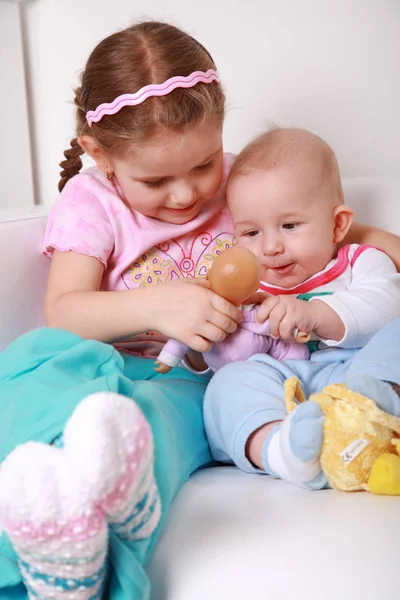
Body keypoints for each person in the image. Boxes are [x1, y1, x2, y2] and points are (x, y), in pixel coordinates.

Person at [0, 22, 399, 600]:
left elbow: (336, 228)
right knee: (45, 374)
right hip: (112, 355)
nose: (188, 195)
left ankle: (93, 543)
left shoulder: (242, 176)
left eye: (204, 165)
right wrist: (160, 304)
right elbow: (64, 312)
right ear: (99, 154)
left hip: (194, 378)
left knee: (151, 427)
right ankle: (36, 506)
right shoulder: (91, 202)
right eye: (157, 179)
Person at [204, 127, 400, 491]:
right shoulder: (247, 286)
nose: (270, 247)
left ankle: (372, 413)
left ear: (338, 224)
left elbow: (384, 308)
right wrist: (217, 333)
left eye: (289, 225)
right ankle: (282, 451)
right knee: (225, 385)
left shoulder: (360, 260)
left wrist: (314, 314)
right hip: (286, 385)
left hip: (358, 376)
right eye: (250, 233)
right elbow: (218, 358)